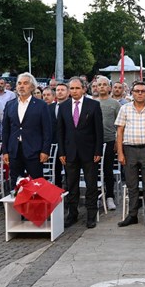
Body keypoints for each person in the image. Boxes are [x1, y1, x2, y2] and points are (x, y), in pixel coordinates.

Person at [57, 77, 104, 228]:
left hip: (89, 153)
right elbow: (60, 132)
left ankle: (91, 215)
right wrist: (61, 152)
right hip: (69, 152)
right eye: (72, 88)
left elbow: (99, 130)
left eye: (77, 88)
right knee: (71, 185)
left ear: (84, 89)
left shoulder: (94, 105)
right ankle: (72, 214)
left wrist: (98, 150)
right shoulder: (63, 107)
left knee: (91, 185)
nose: (74, 91)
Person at [116, 80, 145, 228]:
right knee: (132, 185)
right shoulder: (124, 109)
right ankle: (132, 215)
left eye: (143, 91)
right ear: (132, 92)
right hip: (129, 150)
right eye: (137, 91)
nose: (140, 93)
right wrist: (120, 153)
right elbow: (120, 131)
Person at [1, 72, 52, 185]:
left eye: (25, 83)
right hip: (14, 150)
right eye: (19, 83)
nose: (21, 86)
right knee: (15, 183)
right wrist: (5, 151)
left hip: (34, 150)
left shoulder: (41, 105)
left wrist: (45, 150)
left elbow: (47, 130)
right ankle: (16, 202)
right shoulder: (10, 105)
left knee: (36, 183)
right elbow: (5, 130)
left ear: (32, 87)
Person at [96, 77, 121, 210]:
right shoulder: (92, 103)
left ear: (109, 87)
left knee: (108, 170)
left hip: (110, 140)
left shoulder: (115, 104)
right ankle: (96, 196)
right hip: (94, 143)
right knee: (93, 171)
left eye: (104, 85)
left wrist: (118, 141)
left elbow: (120, 125)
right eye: (99, 85)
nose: (102, 87)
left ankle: (110, 197)